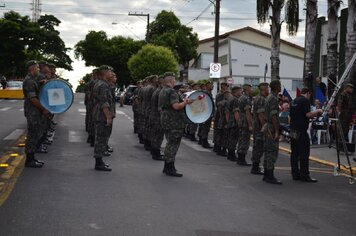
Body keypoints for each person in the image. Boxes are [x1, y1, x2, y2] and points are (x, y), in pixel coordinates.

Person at [158, 72, 193, 177]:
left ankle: (167, 167)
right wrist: (186, 102)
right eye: (174, 80)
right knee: (173, 145)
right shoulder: (172, 91)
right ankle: (170, 167)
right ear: (170, 81)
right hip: (174, 122)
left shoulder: (162, 91)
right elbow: (176, 106)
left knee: (169, 143)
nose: (175, 81)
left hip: (166, 120)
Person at [22, 60, 52, 168]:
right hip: (32, 112)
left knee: (35, 134)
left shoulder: (33, 80)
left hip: (34, 111)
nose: (39, 70)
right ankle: (29, 160)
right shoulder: (29, 81)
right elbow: (33, 99)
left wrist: (40, 84)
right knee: (32, 135)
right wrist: (44, 109)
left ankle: (32, 158)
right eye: (37, 68)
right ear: (32, 69)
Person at [290, 88, 323, 182]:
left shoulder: (294, 101)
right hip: (301, 130)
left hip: (293, 129)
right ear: (308, 93)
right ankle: (305, 175)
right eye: (310, 95)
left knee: (294, 153)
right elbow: (308, 114)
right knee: (304, 153)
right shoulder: (304, 101)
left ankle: (295, 174)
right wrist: (318, 111)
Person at [92, 65, 115, 171]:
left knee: (100, 138)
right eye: (110, 72)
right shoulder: (103, 85)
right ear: (105, 73)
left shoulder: (100, 83)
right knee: (101, 138)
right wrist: (108, 117)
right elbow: (104, 103)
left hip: (99, 114)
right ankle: (98, 163)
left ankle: (99, 161)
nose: (111, 74)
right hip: (102, 115)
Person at [263, 80, 282, 184]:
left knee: (267, 151)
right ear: (276, 87)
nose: (280, 87)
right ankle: (270, 175)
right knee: (272, 152)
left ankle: (266, 174)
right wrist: (276, 132)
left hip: (267, 126)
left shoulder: (269, 97)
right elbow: (274, 116)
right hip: (271, 127)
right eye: (279, 85)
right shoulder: (273, 99)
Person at [251, 82, 269, 175]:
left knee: (257, 146)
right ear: (264, 89)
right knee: (259, 147)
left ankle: (255, 166)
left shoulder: (258, 98)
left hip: (257, 127)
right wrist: (264, 126)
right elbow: (261, 114)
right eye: (267, 88)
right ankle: (255, 167)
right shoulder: (261, 99)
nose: (268, 90)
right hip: (259, 127)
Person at [149, 75, 165, 161]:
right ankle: (156, 154)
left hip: (154, 116)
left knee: (155, 136)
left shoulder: (157, 90)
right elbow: (161, 108)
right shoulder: (160, 92)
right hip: (157, 118)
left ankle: (154, 151)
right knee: (158, 136)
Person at [236, 84, 253, 166]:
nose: (251, 90)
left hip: (241, 121)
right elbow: (247, 113)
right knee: (245, 141)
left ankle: (240, 158)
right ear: (248, 89)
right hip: (245, 122)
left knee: (241, 140)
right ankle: (241, 159)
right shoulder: (246, 99)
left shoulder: (241, 97)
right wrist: (250, 124)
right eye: (251, 89)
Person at [226, 86, 241, 161]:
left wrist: (228, 121)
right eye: (239, 91)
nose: (240, 93)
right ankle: (232, 155)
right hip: (234, 123)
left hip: (230, 122)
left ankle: (229, 154)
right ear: (236, 92)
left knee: (230, 138)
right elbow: (236, 112)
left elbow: (227, 112)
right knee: (234, 139)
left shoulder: (229, 99)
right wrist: (239, 122)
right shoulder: (235, 100)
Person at [213, 82, 229, 153]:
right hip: (221, 116)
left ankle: (218, 147)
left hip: (221, 116)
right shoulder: (220, 95)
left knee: (220, 133)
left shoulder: (225, 94)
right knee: (220, 133)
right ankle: (218, 147)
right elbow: (219, 105)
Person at [198, 80, 214, 148]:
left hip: (208, 113)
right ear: (207, 86)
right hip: (205, 113)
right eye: (211, 85)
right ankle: (204, 141)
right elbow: (199, 99)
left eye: (212, 85)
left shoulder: (209, 93)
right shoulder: (205, 92)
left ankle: (202, 140)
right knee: (205, 127)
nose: (212, 86)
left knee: (205, 127)